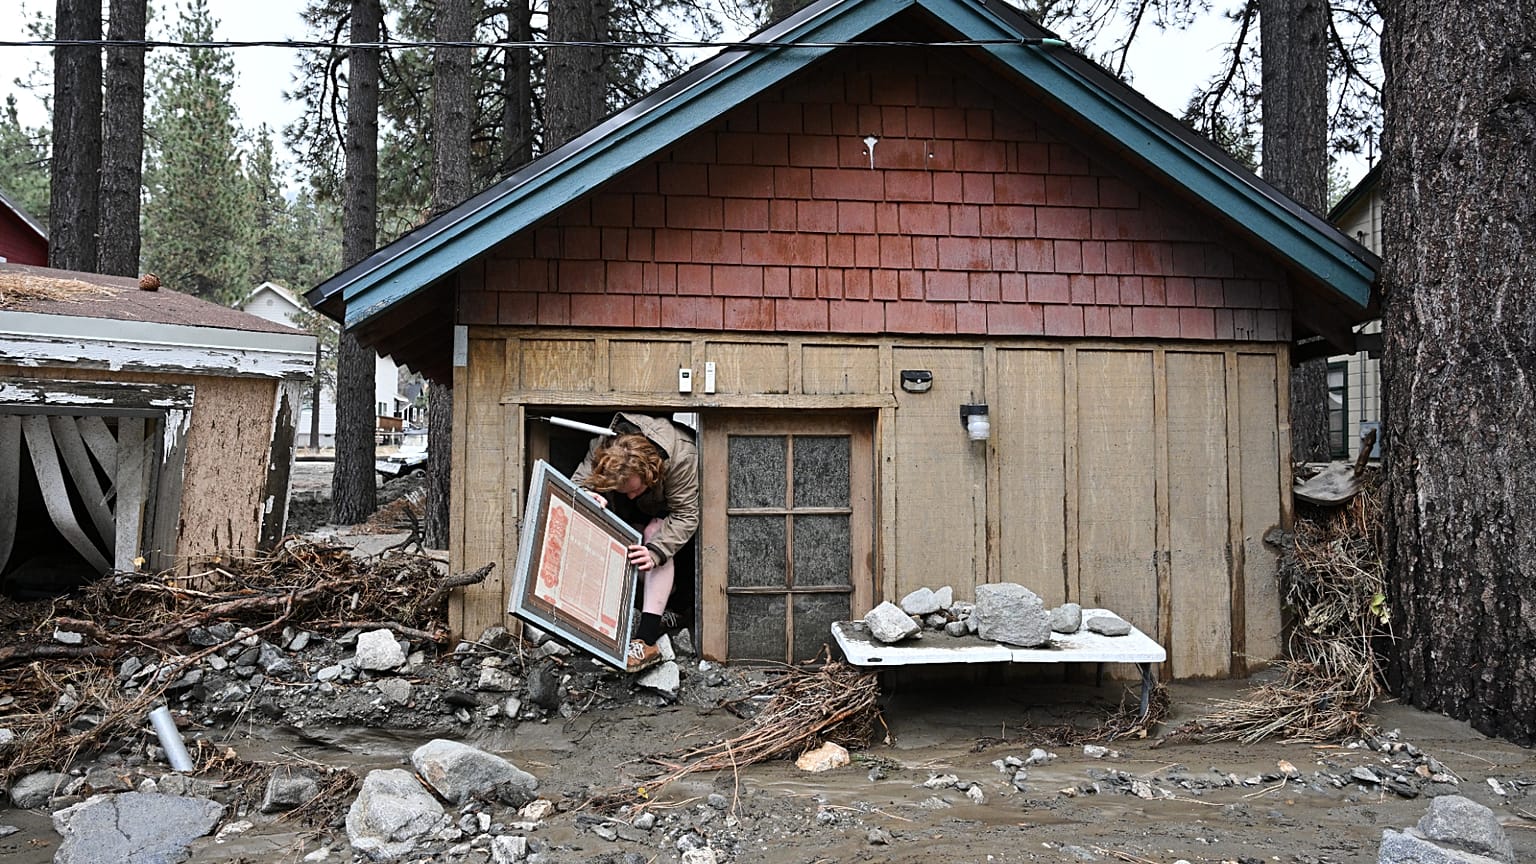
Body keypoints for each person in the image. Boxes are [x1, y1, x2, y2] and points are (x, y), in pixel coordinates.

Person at [571, 412, 699, 672]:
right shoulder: (603, 447)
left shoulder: (682, 456)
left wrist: (656, 552)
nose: (628, 496)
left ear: (648, 470)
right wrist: (588, 495)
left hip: (670, 508)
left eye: (632, 489)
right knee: (623, 531)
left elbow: (686, 514)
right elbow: (577, 484)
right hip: (637, 512)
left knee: (655, 534)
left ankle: (647, 639)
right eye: (622, 491)